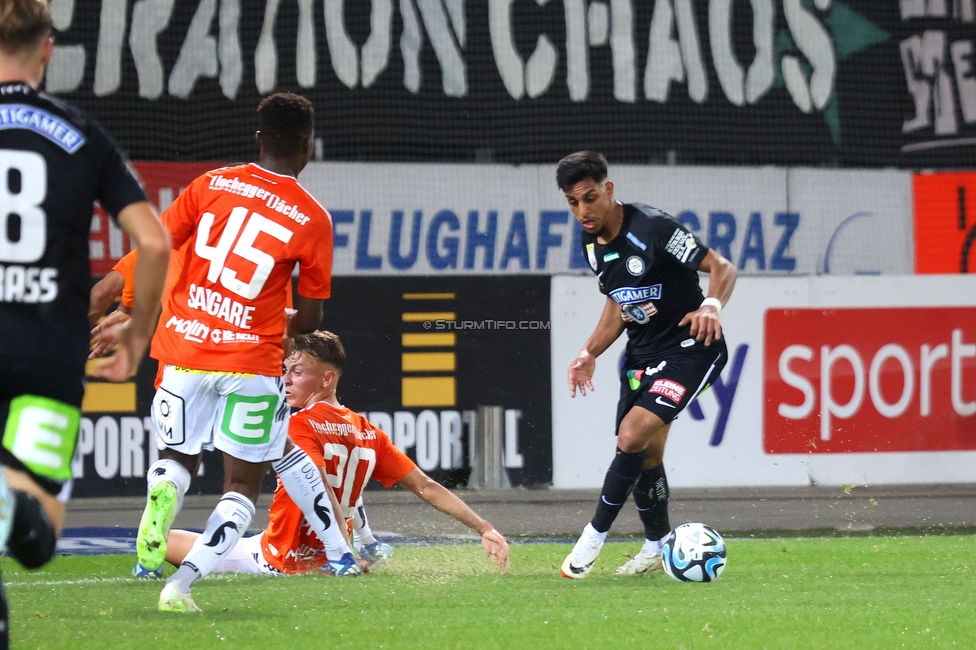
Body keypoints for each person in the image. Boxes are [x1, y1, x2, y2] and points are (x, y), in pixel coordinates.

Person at [133, 93, 353, 613]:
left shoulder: (210, 185)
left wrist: (129, 306)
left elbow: (157, 247)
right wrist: (278, 332)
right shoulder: (312, 218)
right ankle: (178, 587)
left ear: (258, 140)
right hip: (252, 363)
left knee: (176, 459)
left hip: (184, 352)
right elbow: (313, 316)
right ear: (307, 147)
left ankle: (158, 510)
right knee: (240, 485)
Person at [0, 0, 170, 644]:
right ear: (48, 47)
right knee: (36, 538)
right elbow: (154, 245)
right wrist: (136, 329)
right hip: (48, 359)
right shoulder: (79, 132)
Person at [90, 247, 388, 567]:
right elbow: (288, 326)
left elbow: (101, 293)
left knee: (176, 465)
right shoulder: (269, 250)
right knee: (267, 472)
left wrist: (117, 315)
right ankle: (343, 550)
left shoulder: (174, 239)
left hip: (182, 376)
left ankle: (158, 526)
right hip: (245, 374)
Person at [160, 331, 510, 579]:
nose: (286, 380)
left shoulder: (299, 425)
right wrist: (484, 528)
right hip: (324, 555)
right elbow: (426, 485)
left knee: (160, 540)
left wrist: (342, 553)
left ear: (327, 379)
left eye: (296, 372)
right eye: (285, 370)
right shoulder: (367, 431)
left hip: (280, 559)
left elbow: (316, 488)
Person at [556, 151, 736, 579]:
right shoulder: (590, 242)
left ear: (609, 189)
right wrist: (589, 351)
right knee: (645, 454)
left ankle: (593, 537)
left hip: (694, 346)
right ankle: (657, 545)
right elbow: (619, 303)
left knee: (632, 433)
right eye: (573, 202)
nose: (583, 210)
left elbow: (721, 267)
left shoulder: (653, 227)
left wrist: (711, 304)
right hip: (642, 356)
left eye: (590, 197)